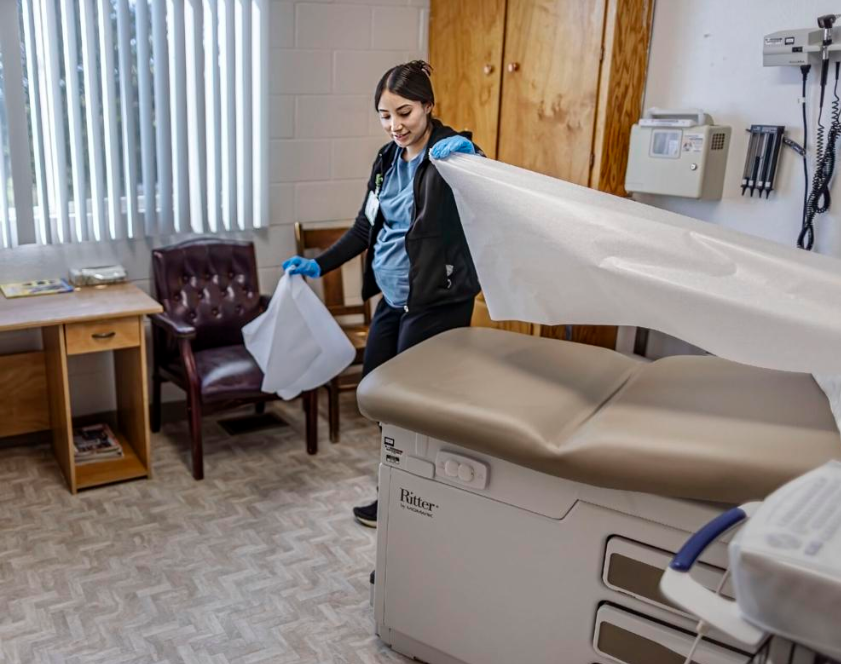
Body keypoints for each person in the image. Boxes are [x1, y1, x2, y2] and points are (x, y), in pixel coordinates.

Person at [282, 60, 480, 528]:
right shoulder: (387, 161)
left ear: (428, 106)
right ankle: (401, 490)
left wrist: (473, 155)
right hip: (392, 301)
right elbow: (363, 228)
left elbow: (489, 193)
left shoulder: (452, 157)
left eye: (404, 112)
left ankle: (413, 505)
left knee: (414, 409)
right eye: (385, 115)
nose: (395, 125)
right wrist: (318, 265)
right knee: (377, 396)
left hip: (435, 302)